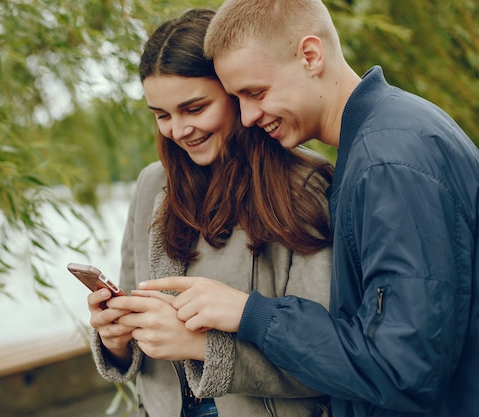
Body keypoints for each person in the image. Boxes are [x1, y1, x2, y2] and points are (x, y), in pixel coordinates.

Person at [140, 1, 479, 416]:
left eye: (256, 93)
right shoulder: (381, 144)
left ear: (310, 56)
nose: (246, 117)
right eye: (237, 99)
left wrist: (252, 314)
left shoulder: (388, 161)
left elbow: (403, 369)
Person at [87, 8, 336, 417]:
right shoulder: (152, 185)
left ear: (236, 91)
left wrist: (200, 346)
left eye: (195, 108)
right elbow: (136, 340)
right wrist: (115, 338)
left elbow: (326, 359)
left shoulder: (305, 188)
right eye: (163, 116)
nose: (179, 130)